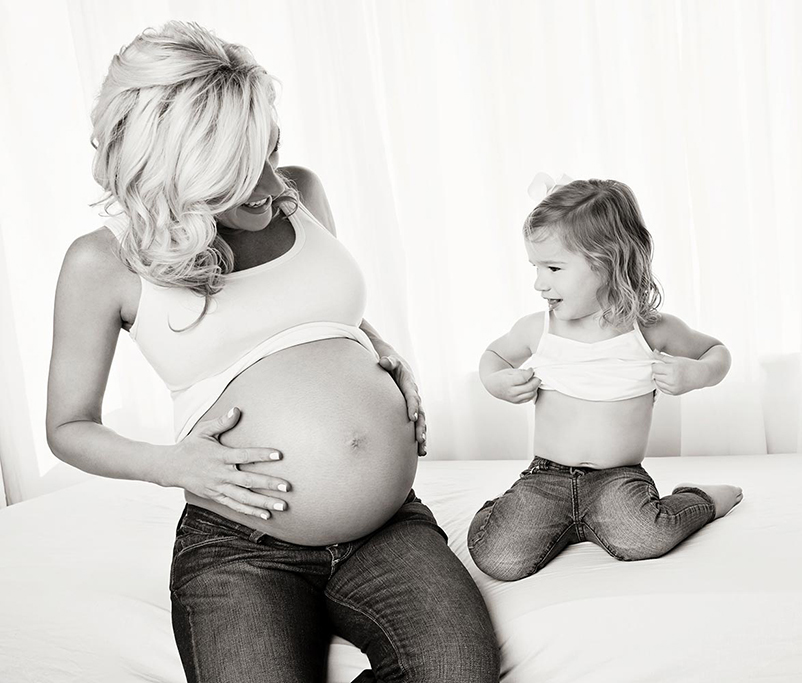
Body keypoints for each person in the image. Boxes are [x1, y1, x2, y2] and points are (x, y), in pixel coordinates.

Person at [46, 21, 499, 683]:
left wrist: (379, 349)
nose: (268, 181)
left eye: (269, 148)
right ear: (176, 170)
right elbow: (67, 427)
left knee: (459, 672)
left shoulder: (302, 192)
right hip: (238, 542)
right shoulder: (104, 263)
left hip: (387, 526)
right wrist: (176, 465)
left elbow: (319, 308)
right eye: (237, 169)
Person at [468, 174, 743, 582]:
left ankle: (701, 500)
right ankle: (508, 510)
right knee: (499, 558)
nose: (539, 282)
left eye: (553, 267)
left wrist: (696, 373)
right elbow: (492, 356)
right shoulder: (537, 329)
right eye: (536, 267)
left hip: (618, 478)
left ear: (606, 262)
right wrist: (496, 382)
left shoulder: (649, 328)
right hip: (548, 475)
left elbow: (717, 352)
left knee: (645, 538)